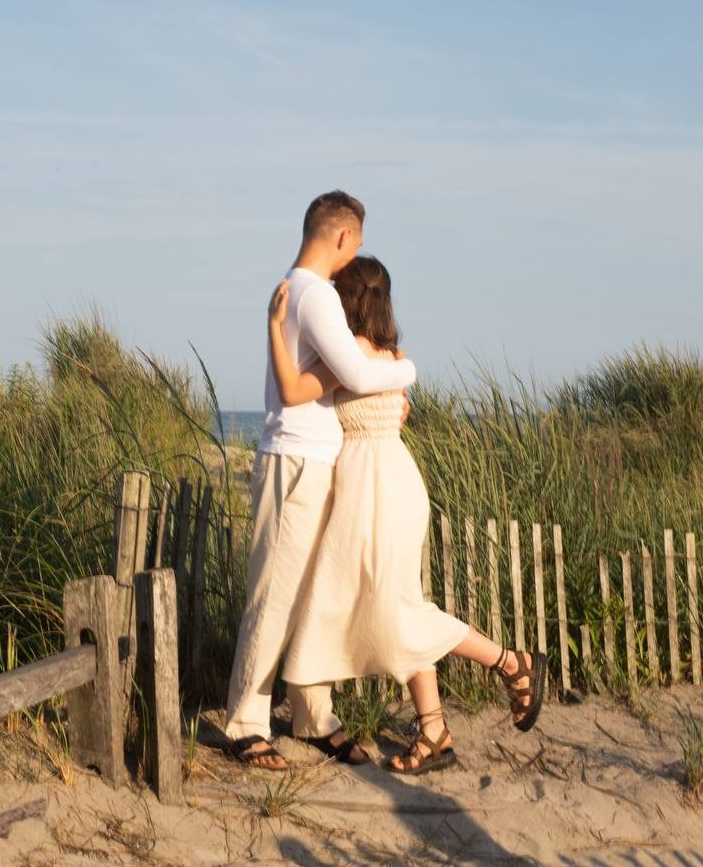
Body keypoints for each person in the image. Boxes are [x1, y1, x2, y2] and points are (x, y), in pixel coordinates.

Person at [270, 255, 547, 776]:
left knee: (399, 613)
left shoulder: (343, 354)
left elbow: (294, 392)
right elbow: (388, 403)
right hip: (393, 481)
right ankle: (435, 730)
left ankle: (512, 662)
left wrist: (272, 327)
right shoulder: (394, 354)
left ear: (345, 302)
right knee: (400, 605)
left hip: (373, 490)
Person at [223, 191, 419, 770]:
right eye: (356, 241)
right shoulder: (314, 296)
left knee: (313, 598)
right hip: (296, 459)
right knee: (276, 595)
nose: (356, 252)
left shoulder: (303, 294)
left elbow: (321, 384)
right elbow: (358, 373)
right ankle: (244, 723)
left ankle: (312, 715)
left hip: (315, 457)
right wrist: (408, 368)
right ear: (341, 237)